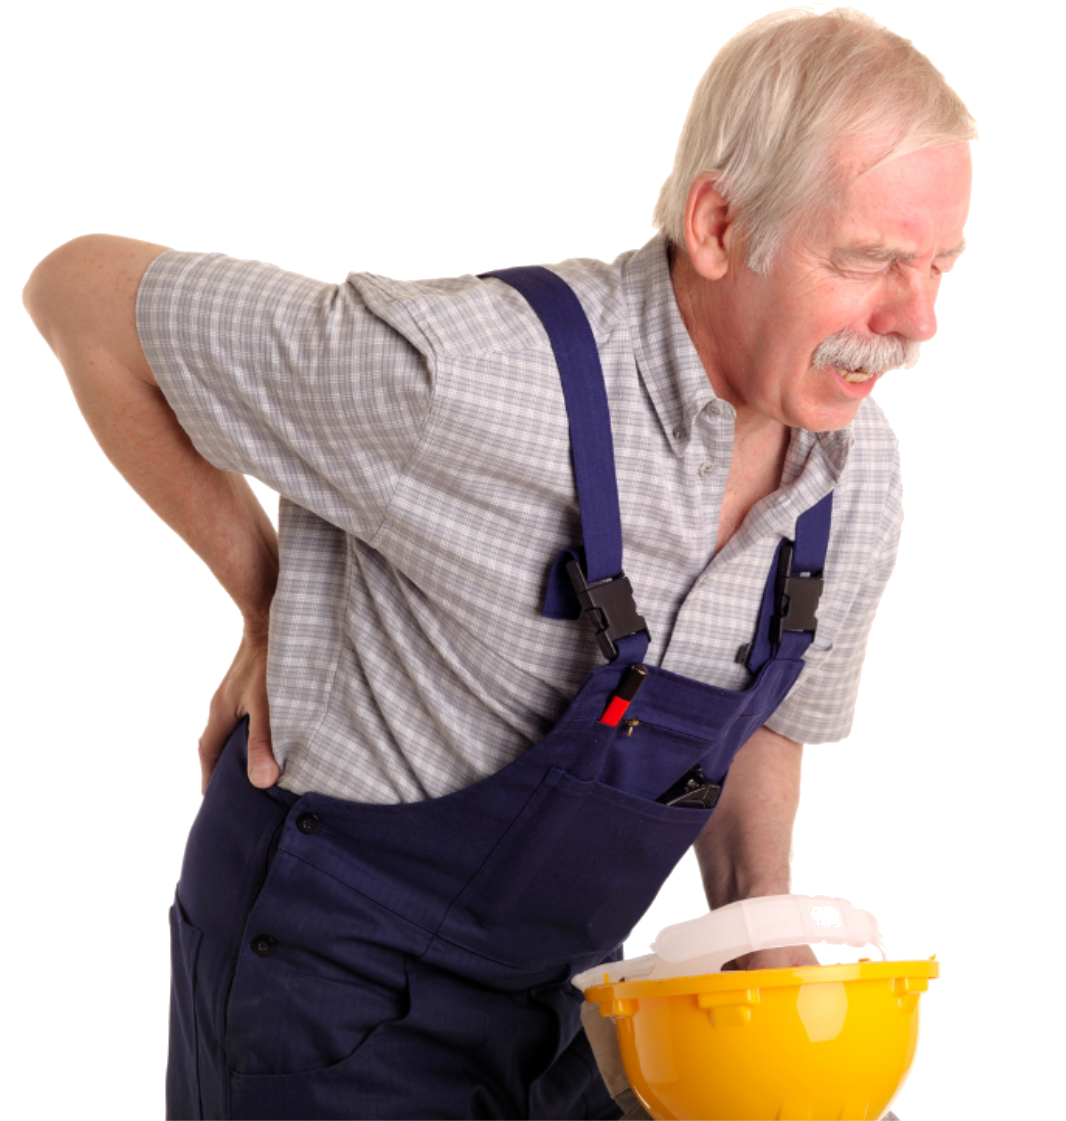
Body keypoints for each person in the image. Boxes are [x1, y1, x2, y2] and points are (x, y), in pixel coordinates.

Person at [23, 7, 974, 1120]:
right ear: (718, 225)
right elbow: (78, 296)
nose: (917, 322)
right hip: (324, 986)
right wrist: (268, 592)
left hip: (566, 1000)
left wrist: (756, 915)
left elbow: (762, 713)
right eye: (869, 260)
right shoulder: (470, 380)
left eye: (939, 266)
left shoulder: (855, 475)